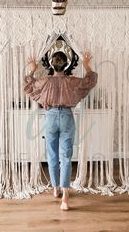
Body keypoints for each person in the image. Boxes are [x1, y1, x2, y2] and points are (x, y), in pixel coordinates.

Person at [23, 51, 98, 210]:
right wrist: (86, 65)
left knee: (52, 155)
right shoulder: (72, 81)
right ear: (67, 65)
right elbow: (90, 80)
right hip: (66, 117)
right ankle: (64, 196)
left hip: (50, 117)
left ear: (52, 65)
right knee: (66, 156)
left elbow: (28, 86)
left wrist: (32, 69)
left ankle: (56, 188)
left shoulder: (45, 81)